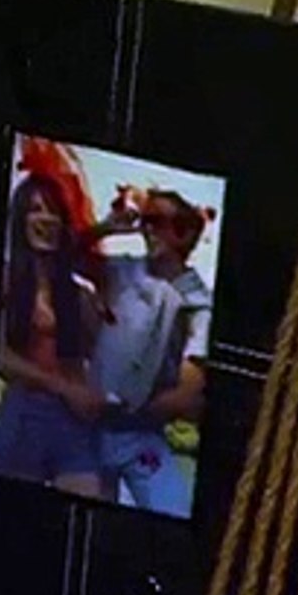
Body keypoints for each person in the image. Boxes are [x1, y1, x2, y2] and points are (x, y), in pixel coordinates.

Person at [84, 186, 214, 519]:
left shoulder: (199, 305)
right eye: (145, 220)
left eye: (157, 221)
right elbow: (66, 256)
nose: (147, 229)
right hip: (90, 429)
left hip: (140, 435)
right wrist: (107, 227)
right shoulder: (123, 270)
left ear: (184, 233)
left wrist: (123, 411)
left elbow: (187, 390)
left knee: (173, 512)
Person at [0, 172, 114, 501]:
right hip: (25, 413)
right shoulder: (7, 281)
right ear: (21, 221)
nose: (46, 219)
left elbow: (102, 356)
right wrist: (63, 387)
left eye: (53, 211)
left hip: (73, 418)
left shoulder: (78, 294)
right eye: (35, 210)